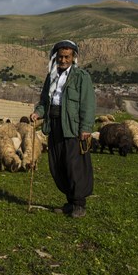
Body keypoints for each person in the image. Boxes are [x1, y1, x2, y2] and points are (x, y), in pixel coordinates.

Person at [30, 40, 96, 218]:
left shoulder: (81, 77)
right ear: (55, 57)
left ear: (73, 57)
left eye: (67, 56)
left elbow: (88, 104)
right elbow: (45, 101)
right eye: (60, 56)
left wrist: (86, 127)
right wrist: (38, 112)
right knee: (58, 163)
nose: (63, 60)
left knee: (74, 165)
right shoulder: (51, 77)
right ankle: (70, 201)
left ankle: (79, 204)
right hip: (54, 125)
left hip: (73, 127)